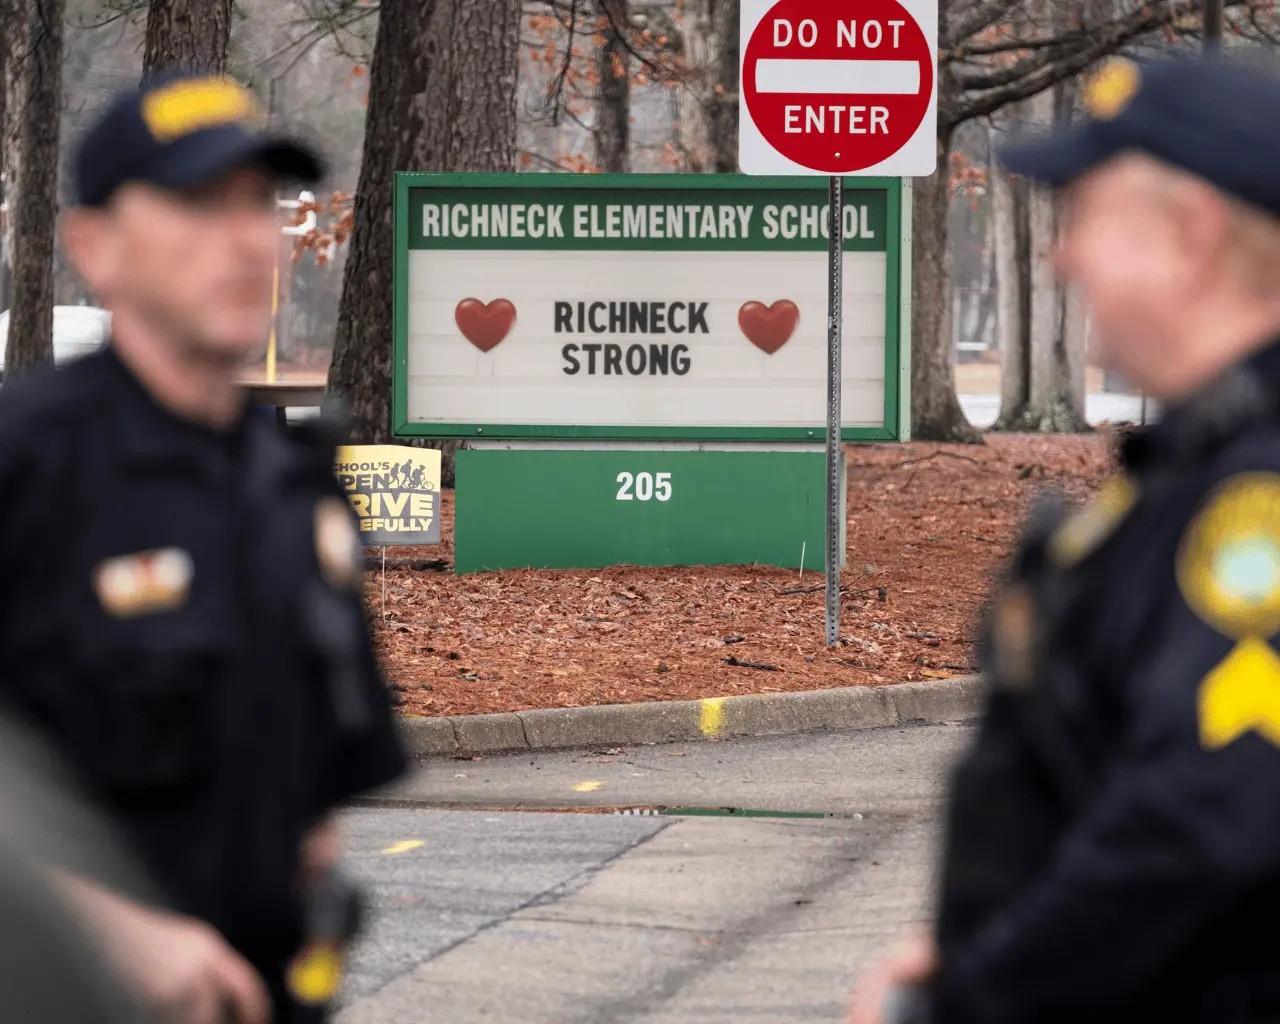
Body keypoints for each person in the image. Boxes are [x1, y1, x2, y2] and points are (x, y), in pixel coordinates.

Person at [851, 54, 1280, 1023]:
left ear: (1190, 237)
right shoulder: (1197, 469)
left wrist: (978, 991)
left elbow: (1199, 821)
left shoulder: (1254, 499)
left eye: (1087, 217)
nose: (1062, 257)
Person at [0, 72, 406, 1022]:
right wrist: (116, 937)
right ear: (94, 247)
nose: (247, 241)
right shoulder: (26, 466)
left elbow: (316, 778)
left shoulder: (294, 478)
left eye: (259, 205)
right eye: (195, 204)